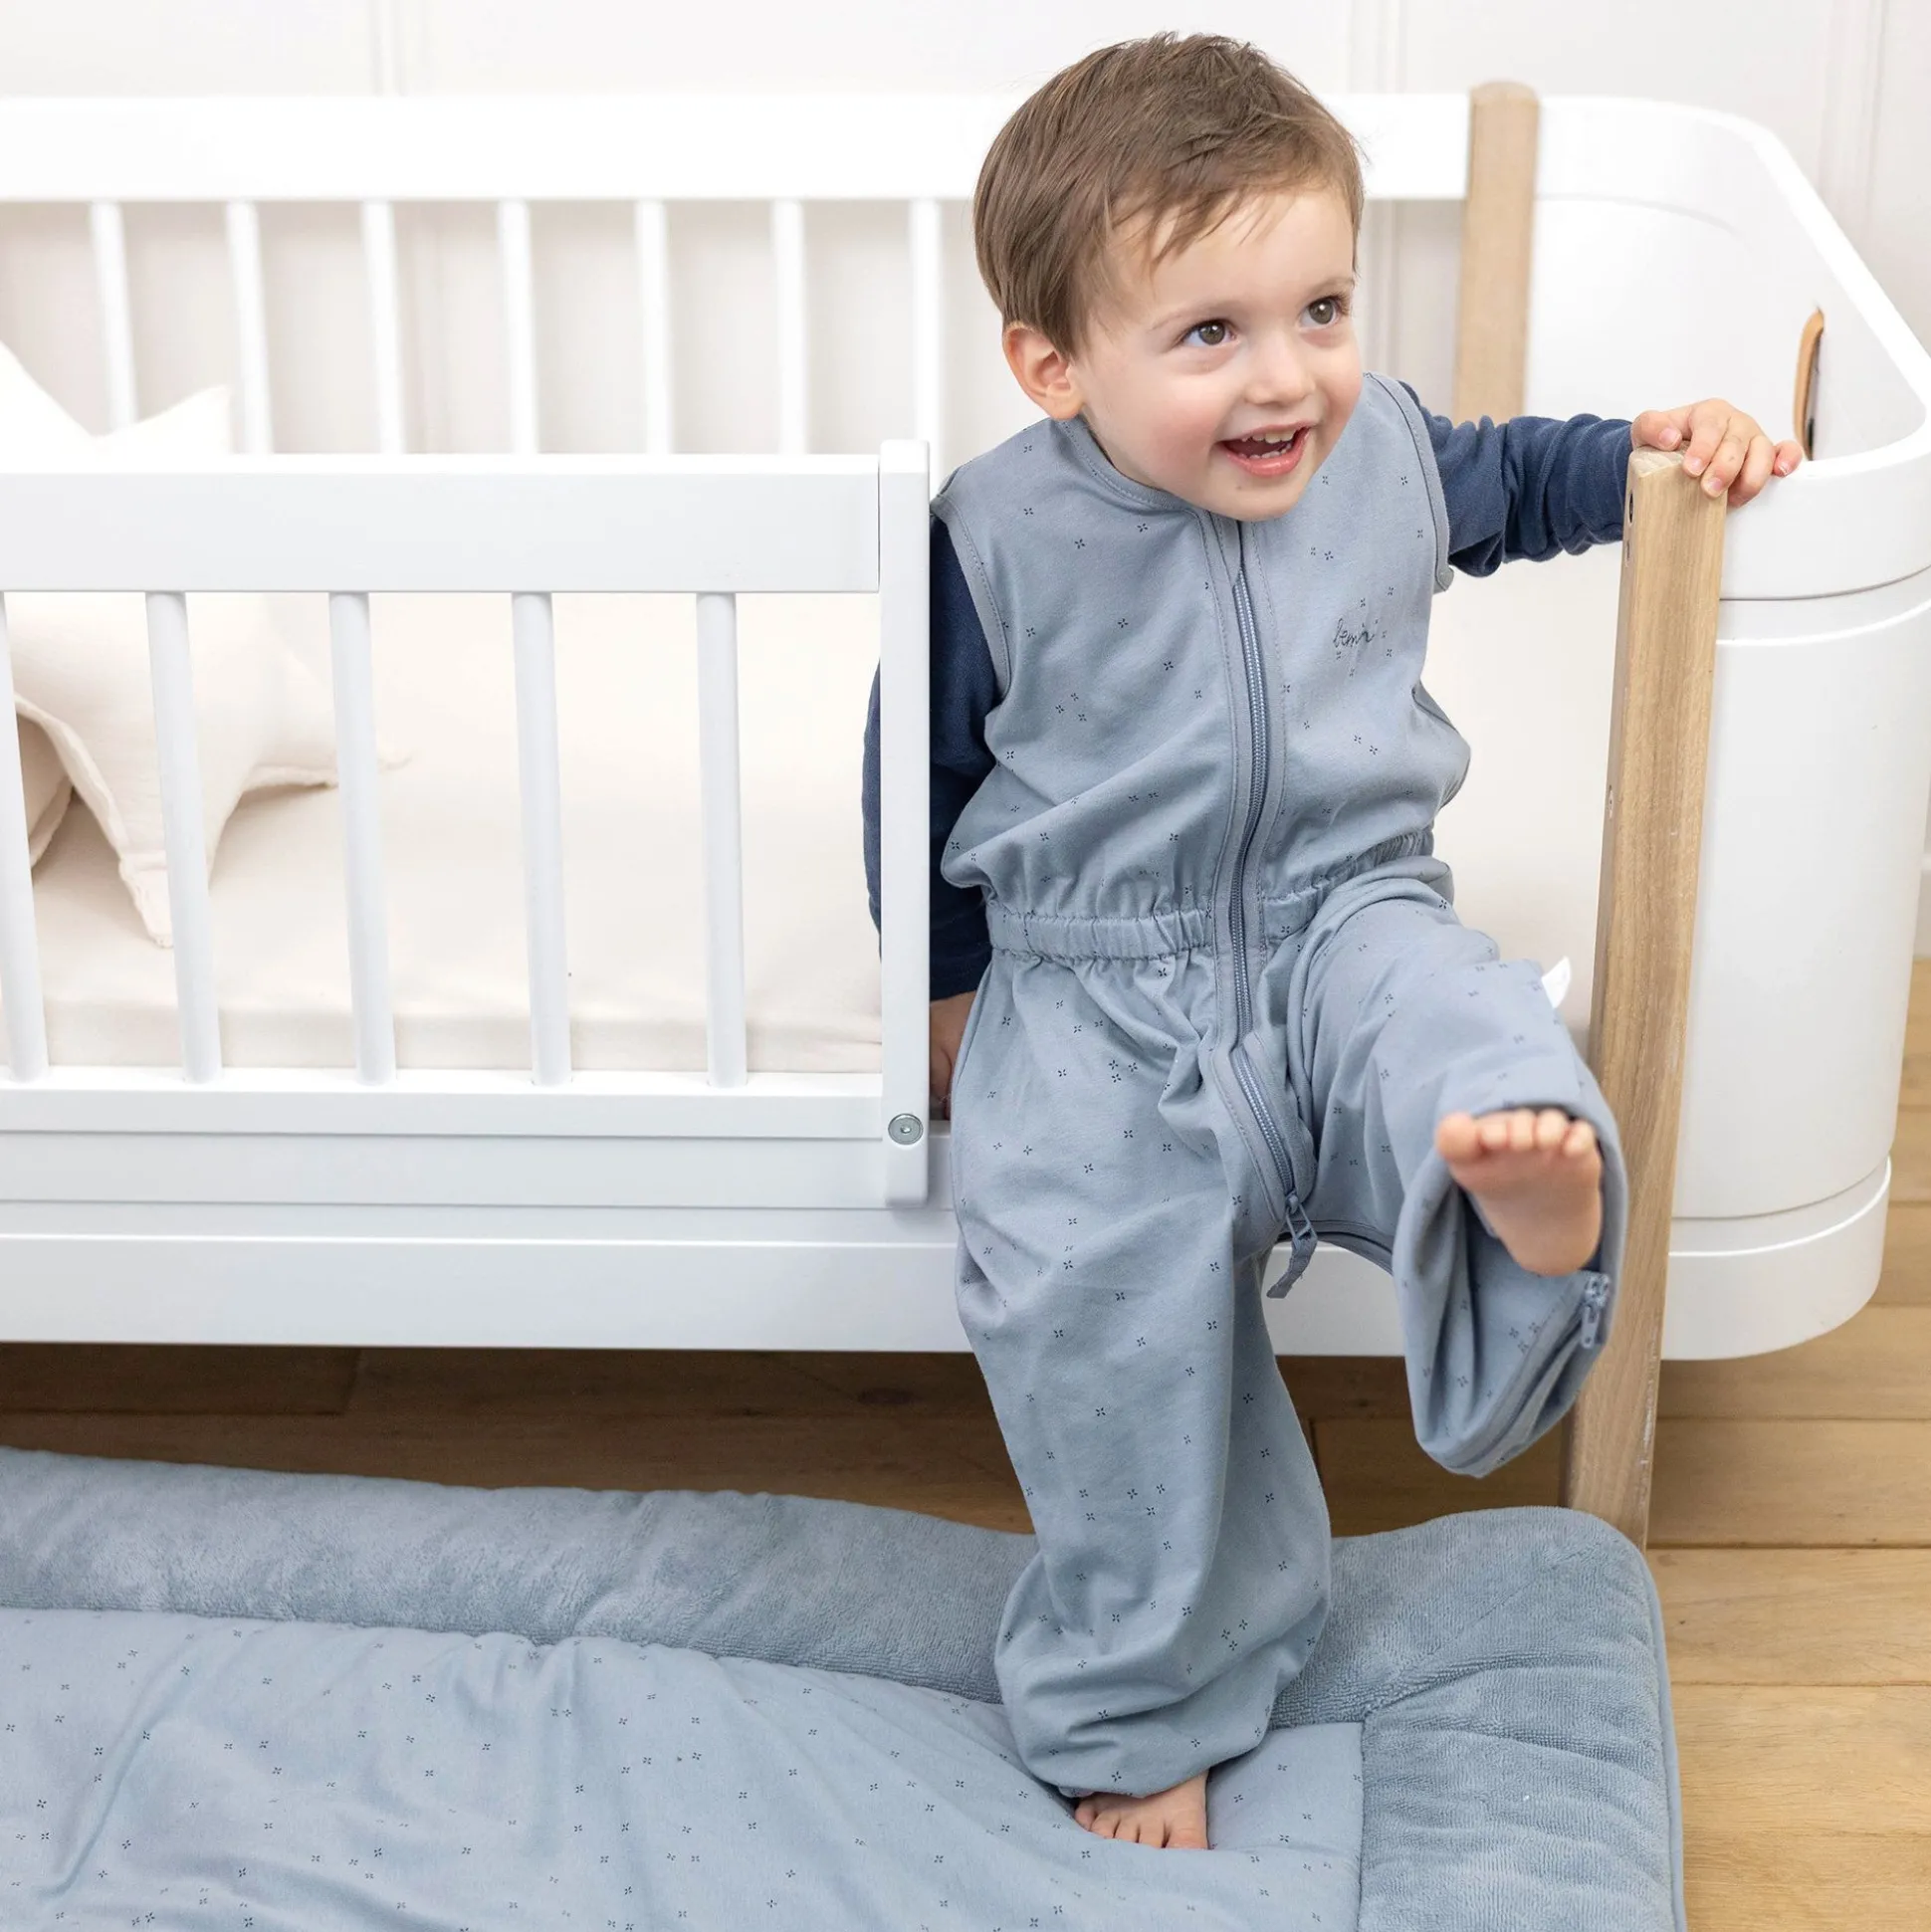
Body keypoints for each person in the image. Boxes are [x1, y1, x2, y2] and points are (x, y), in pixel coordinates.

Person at [860, 31, 1801, 1852]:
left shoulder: (1382, 454)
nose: (1287, 375)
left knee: (1470, 1033)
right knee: (1092, 1291)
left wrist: (1653, 452)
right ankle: (1144, 1707)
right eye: (1210, 333)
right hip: (1100, 969)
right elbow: (922, 783)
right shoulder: (992, 538)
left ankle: (1520, 1210)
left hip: (1352, 902)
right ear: (1054, 366)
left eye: (1322, 308)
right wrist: (951, 991)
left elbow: (1521, 479)